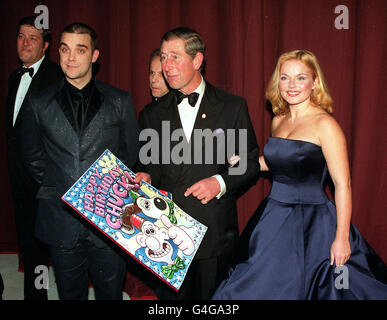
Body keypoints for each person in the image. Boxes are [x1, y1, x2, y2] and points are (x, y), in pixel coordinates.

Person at [212, 50, 387, 300]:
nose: (291, 86)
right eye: (285, 78)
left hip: (313, 223)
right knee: (251, 284)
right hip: (274, 216)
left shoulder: (325, 125)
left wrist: (341, 238)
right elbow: (280, 162)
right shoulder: (278, 120)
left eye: (301, 78)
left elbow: (342, 184)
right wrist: (245, 162)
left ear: (315, 82)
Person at [136, 27, 260, 300]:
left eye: (175, 57)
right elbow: (149, 166)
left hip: (213, 233)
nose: (167, 65)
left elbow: (249, 163)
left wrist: (219, 182)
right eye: (164, 57)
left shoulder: (232, 107)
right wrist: (145, 176)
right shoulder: (151, 114)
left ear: (197, 61)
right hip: (165, 235)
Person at [20, 22, 139, 300]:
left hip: (109, 221)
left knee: (110, 294)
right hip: (61, 220)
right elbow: (32, 157)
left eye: (80, 50)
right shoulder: (38, 103)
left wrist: (101, 191)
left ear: (94, 56)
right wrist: (65, 186)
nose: (71, 57)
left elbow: (129, 153)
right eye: (65, 49)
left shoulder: (119, 101)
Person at [4, 16, 63, 300]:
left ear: (46, 46)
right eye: (20, 36)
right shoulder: (14, 77)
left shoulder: (55, 76)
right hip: (19, 180)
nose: (25, 43)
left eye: (33, 38)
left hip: (44, 182)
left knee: (44, 248)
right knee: (29, 247)